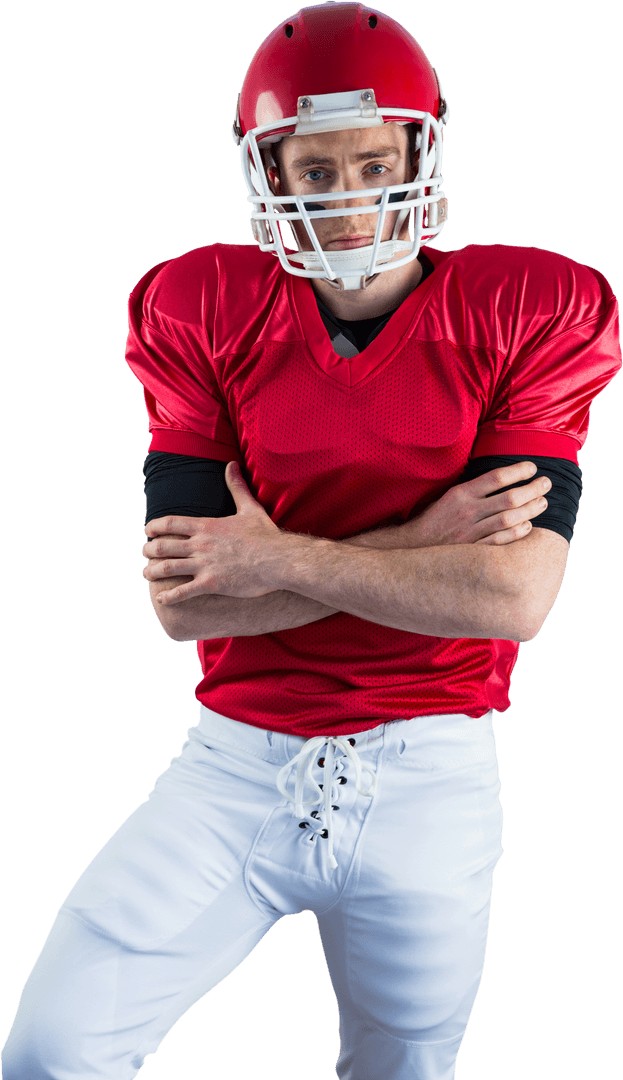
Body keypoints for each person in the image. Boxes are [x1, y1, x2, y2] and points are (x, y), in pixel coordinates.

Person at [2, 3, 620, 1079]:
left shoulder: (527, 305)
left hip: (431, 767)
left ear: (421, 150)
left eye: (373, 162)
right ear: (267, 174)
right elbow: (187, 603)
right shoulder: (197, 305)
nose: (347, 201)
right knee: (49, 1051)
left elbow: (511, 599)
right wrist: (422, 542)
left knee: (401, 1071)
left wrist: (279, 557)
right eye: (317, 172)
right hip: (233, 764)